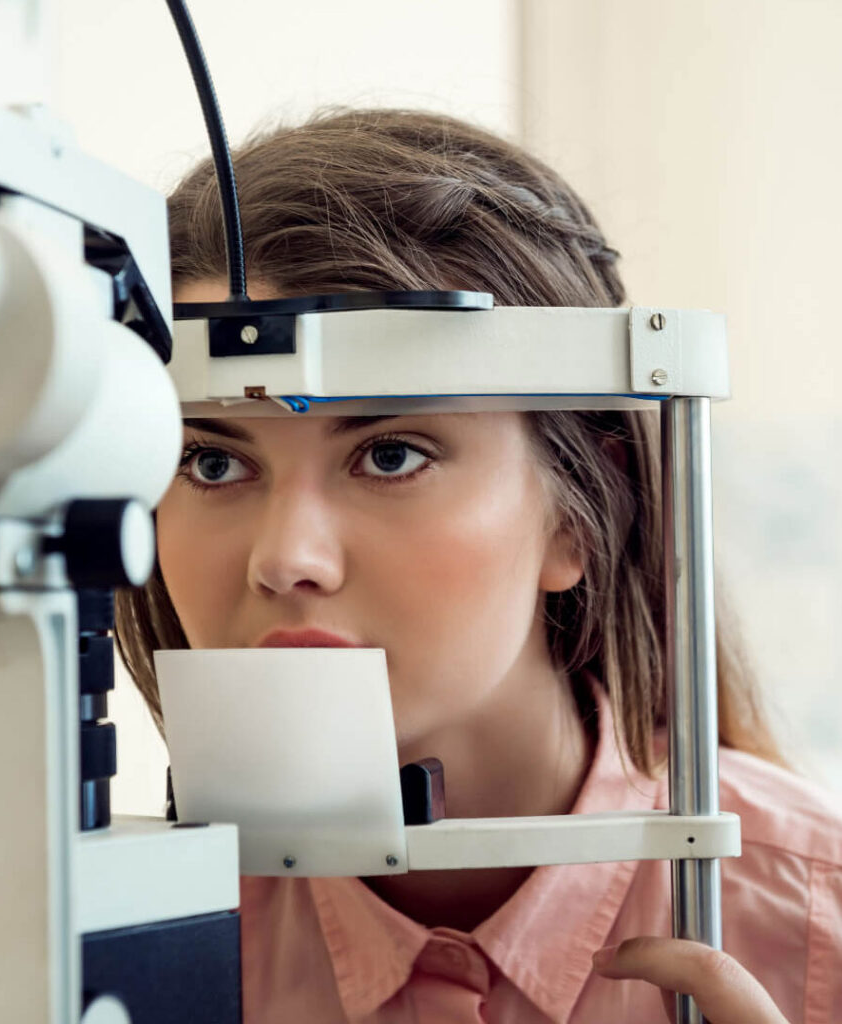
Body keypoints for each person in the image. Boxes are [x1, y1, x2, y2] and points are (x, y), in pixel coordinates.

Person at [115, 108, 842, 1023]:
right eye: (213, 463)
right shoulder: (117, 938)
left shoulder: (812, 918)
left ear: (577, 514)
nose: (286, 558)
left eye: (390, 455)